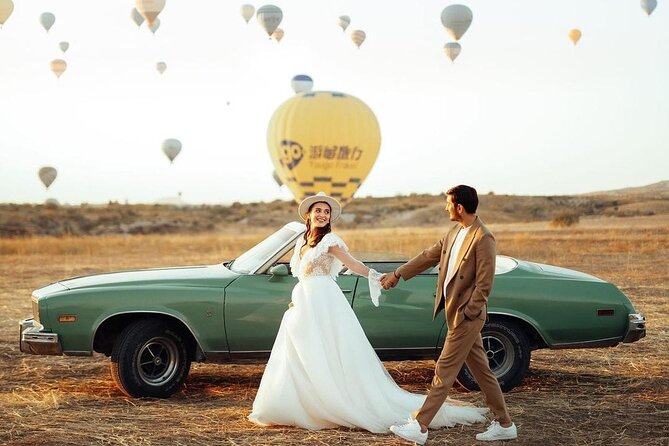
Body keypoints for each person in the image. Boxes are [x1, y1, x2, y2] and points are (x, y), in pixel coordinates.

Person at [248, 192, 487, 433]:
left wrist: (375, 276)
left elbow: (352, 264)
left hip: (324, 302)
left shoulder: (330, 241)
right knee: (300, 351)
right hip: (304, 301)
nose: (322, 215)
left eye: (326, 212)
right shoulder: (302, 240)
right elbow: (302, 275)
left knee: (326, 351)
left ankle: (331, 403)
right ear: (308, 215)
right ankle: (300, 404)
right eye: (318, 211)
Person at [382, 185, 517, 443]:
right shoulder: (455, 231)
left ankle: (420, 425)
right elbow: (428, 256)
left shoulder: (483, 237)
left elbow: (485, 283)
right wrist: (398, 274)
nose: (445, 208)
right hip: (454, 313)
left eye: (447, 204)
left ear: (459, 207)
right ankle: (505, 423)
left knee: (443, 371)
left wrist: (470, 312)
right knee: (483, 372)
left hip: (466, 317)